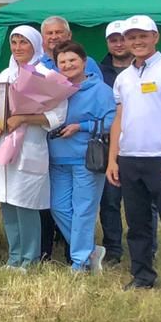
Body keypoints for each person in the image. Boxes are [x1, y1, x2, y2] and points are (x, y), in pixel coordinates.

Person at [107, 15, 161, 293]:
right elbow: (119, 120)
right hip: (131, 159)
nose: (137, 41)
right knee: (136, 224)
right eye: (131, 37)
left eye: (142, 36)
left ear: (155, 37)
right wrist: (113, 158)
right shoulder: (124, 77)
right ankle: (143, 277)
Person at [0, 25, 67, 271]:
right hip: (4, 146)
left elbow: (57, 116)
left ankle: (30, 259)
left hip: (30, 147)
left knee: (26, 204)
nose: (18, 47)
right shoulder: (4, 76)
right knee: (8, 203)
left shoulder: (45, 75)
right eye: (14, 42)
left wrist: (24, 119)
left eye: (24, 42)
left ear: (35, 45)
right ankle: (14, 256)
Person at [48, 41, 116, 273]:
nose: (67, 65)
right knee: (58, 208)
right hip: (58, 158)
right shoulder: (56, 91)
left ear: (84, 62)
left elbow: (113, 121)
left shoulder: (101, 91)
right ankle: (89, 250)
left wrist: (82, 126)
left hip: (87, 158)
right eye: (62, 62)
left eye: (72, 60)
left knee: (84, 209)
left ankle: (80, 263)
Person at [96, 20, 134, 266]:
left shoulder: (145, 69)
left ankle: (146, 248)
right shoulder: (98, 71)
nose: (119, 44)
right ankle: (113, 250)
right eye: (113, 40)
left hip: (138, 145)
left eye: (123, 39)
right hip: (109, 144)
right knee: (109, 201)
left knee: (140, 201)